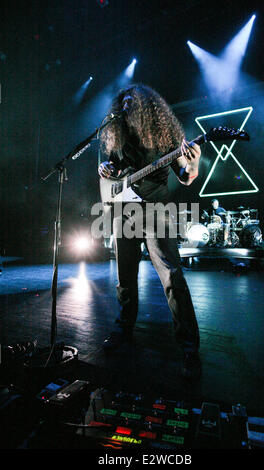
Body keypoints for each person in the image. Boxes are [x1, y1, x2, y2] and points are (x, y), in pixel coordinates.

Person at [98, 84, 201, 380]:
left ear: (147, 106)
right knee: (124, 276)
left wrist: (191, 164)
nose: (126, 106)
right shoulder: (117, 135)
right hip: (124, 212)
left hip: (156, 209)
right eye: (123, 102)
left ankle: (189, 345)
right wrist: (105, 169)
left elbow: (186, 177)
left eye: (132, 102)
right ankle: (123, 329)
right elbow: (112, 176)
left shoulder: (167, 136)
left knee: (171, 275)